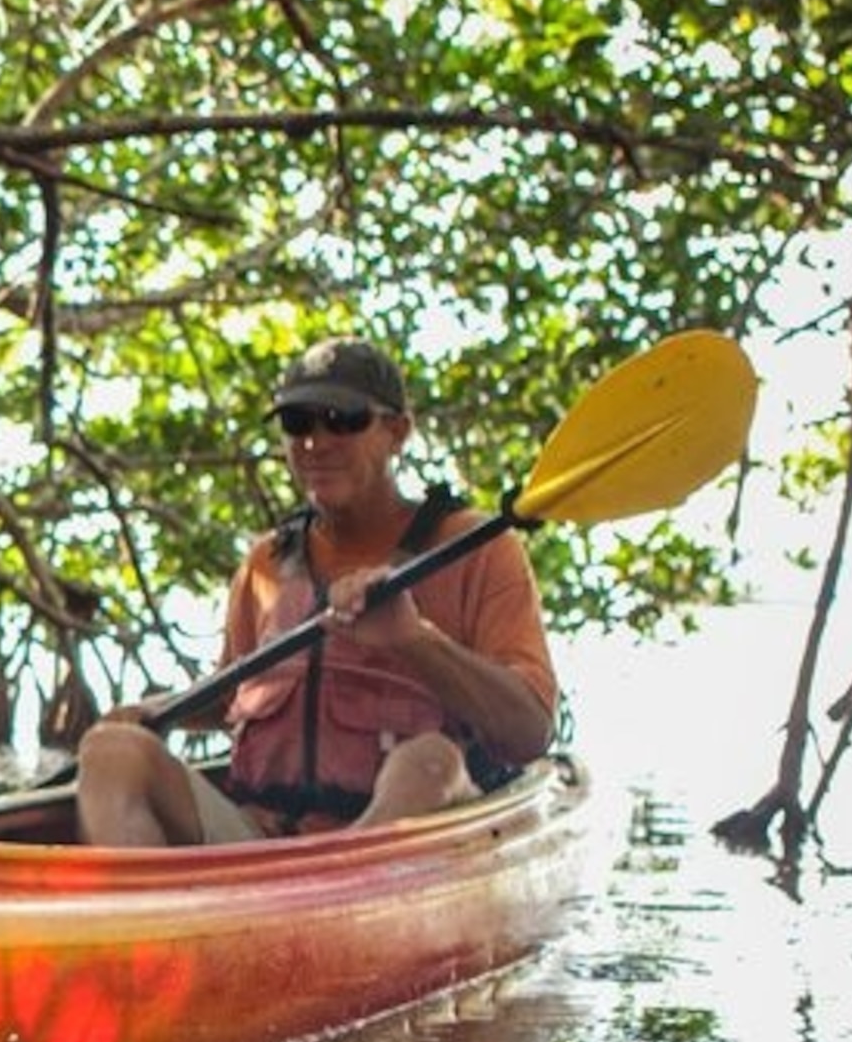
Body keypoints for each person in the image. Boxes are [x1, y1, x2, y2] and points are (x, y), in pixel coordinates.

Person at [75, 335, 559, 846]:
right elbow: (233, 692)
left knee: (429, 761)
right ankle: (148, 922)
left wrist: (413, 640)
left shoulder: (477, 548)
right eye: (297, 422)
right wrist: (158, 710)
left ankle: (347, 885)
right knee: (111, 751)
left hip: (415, 841)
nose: (316, 442)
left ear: (398, 432)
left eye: (343, 420)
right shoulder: (267, 563)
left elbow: (530, 730)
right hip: (262, 842)